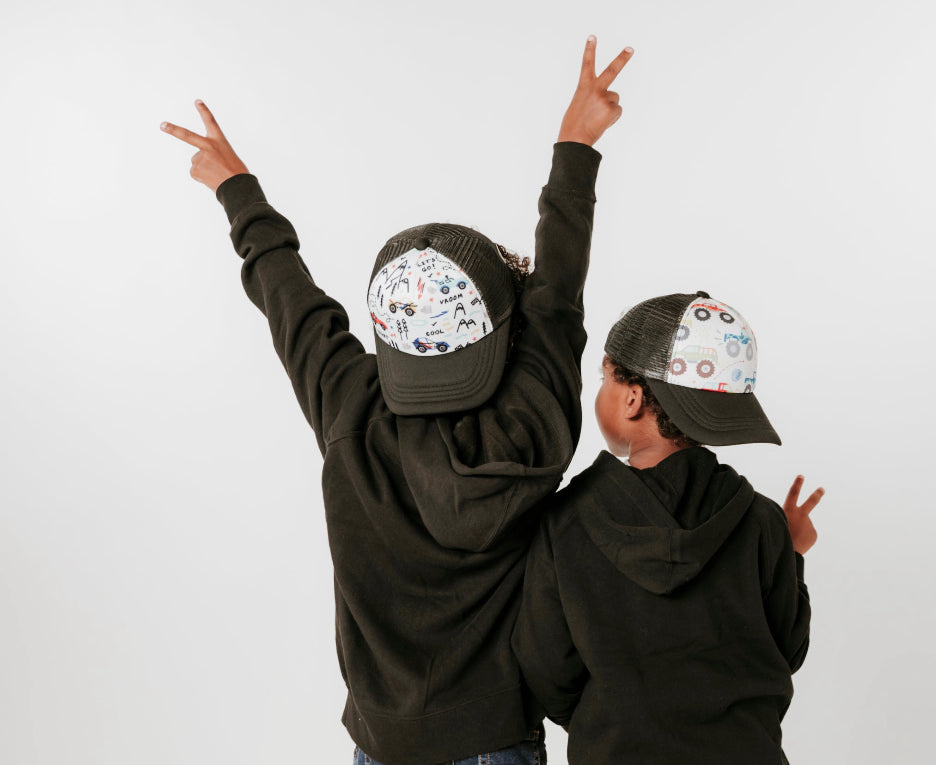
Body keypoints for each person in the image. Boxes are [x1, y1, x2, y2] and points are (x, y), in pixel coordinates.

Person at [161, 36, 633, 765]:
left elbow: (293, 304)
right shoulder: (530, 430)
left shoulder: (347, 405)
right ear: (500, 340)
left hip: (378, 745)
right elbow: (557, 301)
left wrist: (239, 192)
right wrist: (575, 147)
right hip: (496, 739)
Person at [512, 291, 824, 764]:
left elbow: (546, 667)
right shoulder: (761, 522)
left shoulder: (565, 522)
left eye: (605, 378)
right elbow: (786, 650)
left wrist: (610, 719)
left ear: (633, 399)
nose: (601, 389)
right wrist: (792, 550)